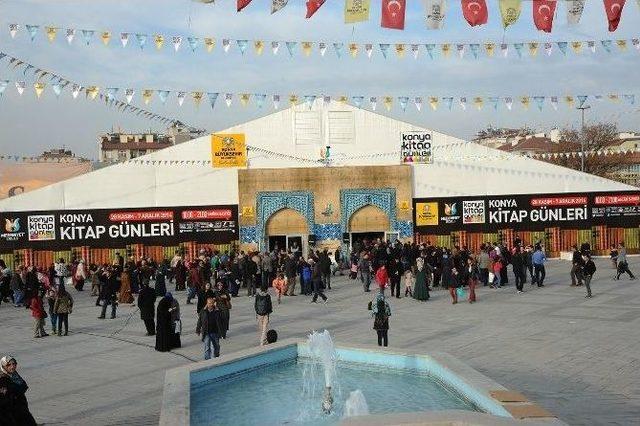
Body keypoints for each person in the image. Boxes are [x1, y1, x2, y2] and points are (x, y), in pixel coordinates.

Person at [0, 356, 37, 426]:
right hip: (9, 413)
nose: (12, 366)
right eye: (8, 365)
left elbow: (24, 386)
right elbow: (4, 400)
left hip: (21, 409)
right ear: (3, 366)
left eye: (14, 364)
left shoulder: (14, 375)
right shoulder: (2, 380)